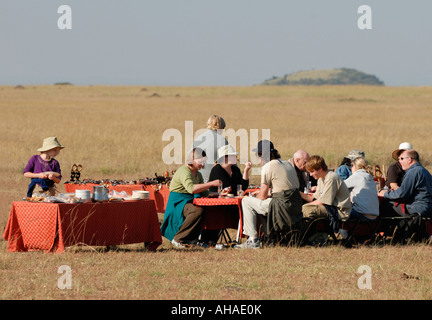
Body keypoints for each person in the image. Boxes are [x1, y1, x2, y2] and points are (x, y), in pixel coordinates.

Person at [235, 140, 302, 249]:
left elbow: (262, 196)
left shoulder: (268, 167)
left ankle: (252, 240)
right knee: (259, 205)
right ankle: (265, 236)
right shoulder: (288, 164)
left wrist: (254, 197)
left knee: (246, 201)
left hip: (280, 206)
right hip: (295, 206)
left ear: (261, 155)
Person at [160, 148, 222, 248]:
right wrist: (211, 183)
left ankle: (196, 239)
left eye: (204, 162)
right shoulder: (184, 171)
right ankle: (179, 239)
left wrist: (220, 193)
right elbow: (191, 189)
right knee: (197, 211)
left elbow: (205, 192)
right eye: (201, 162)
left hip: (189, 201)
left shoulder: (198, 174)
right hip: (178, 203)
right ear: (192, 159)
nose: (203, 165)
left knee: (210, 209)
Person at [201, 145, 252, 244]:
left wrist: (246, 170)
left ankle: (251, 237)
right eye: (232, 156)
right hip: (218, 205)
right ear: (225, 158)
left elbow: (243, 187)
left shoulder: (235, 170)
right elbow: (228, 189)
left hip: (231, 203)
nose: (235, 158)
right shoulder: (217, 170)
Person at [302, 155, 352, 233]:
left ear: (320, 169)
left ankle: (310, 234)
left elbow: (323, 201)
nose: (310, 175)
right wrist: (299, 194)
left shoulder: (331, 178)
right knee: (302, 207)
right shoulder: (321, 179)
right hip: (329, 208)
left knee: (307, 209)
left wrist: (304, 206)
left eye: (312, 171)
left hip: (339, 211)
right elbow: (315, 198)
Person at [379, 150, 432, 218]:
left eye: (401, 159)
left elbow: (402, 194)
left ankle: (386, 229)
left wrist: (385, 194)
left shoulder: (413, 172)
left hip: (417, 208)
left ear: (409, 160)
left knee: (385, 206)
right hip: (428, 208)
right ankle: (404, 227)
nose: (399, 161)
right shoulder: (425, 171)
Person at [192, 115, 228, 183]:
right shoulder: (222, 140)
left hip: (197, 181)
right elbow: (230, 162)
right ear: (222, 127)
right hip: (215, 182)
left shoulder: (198, 138)